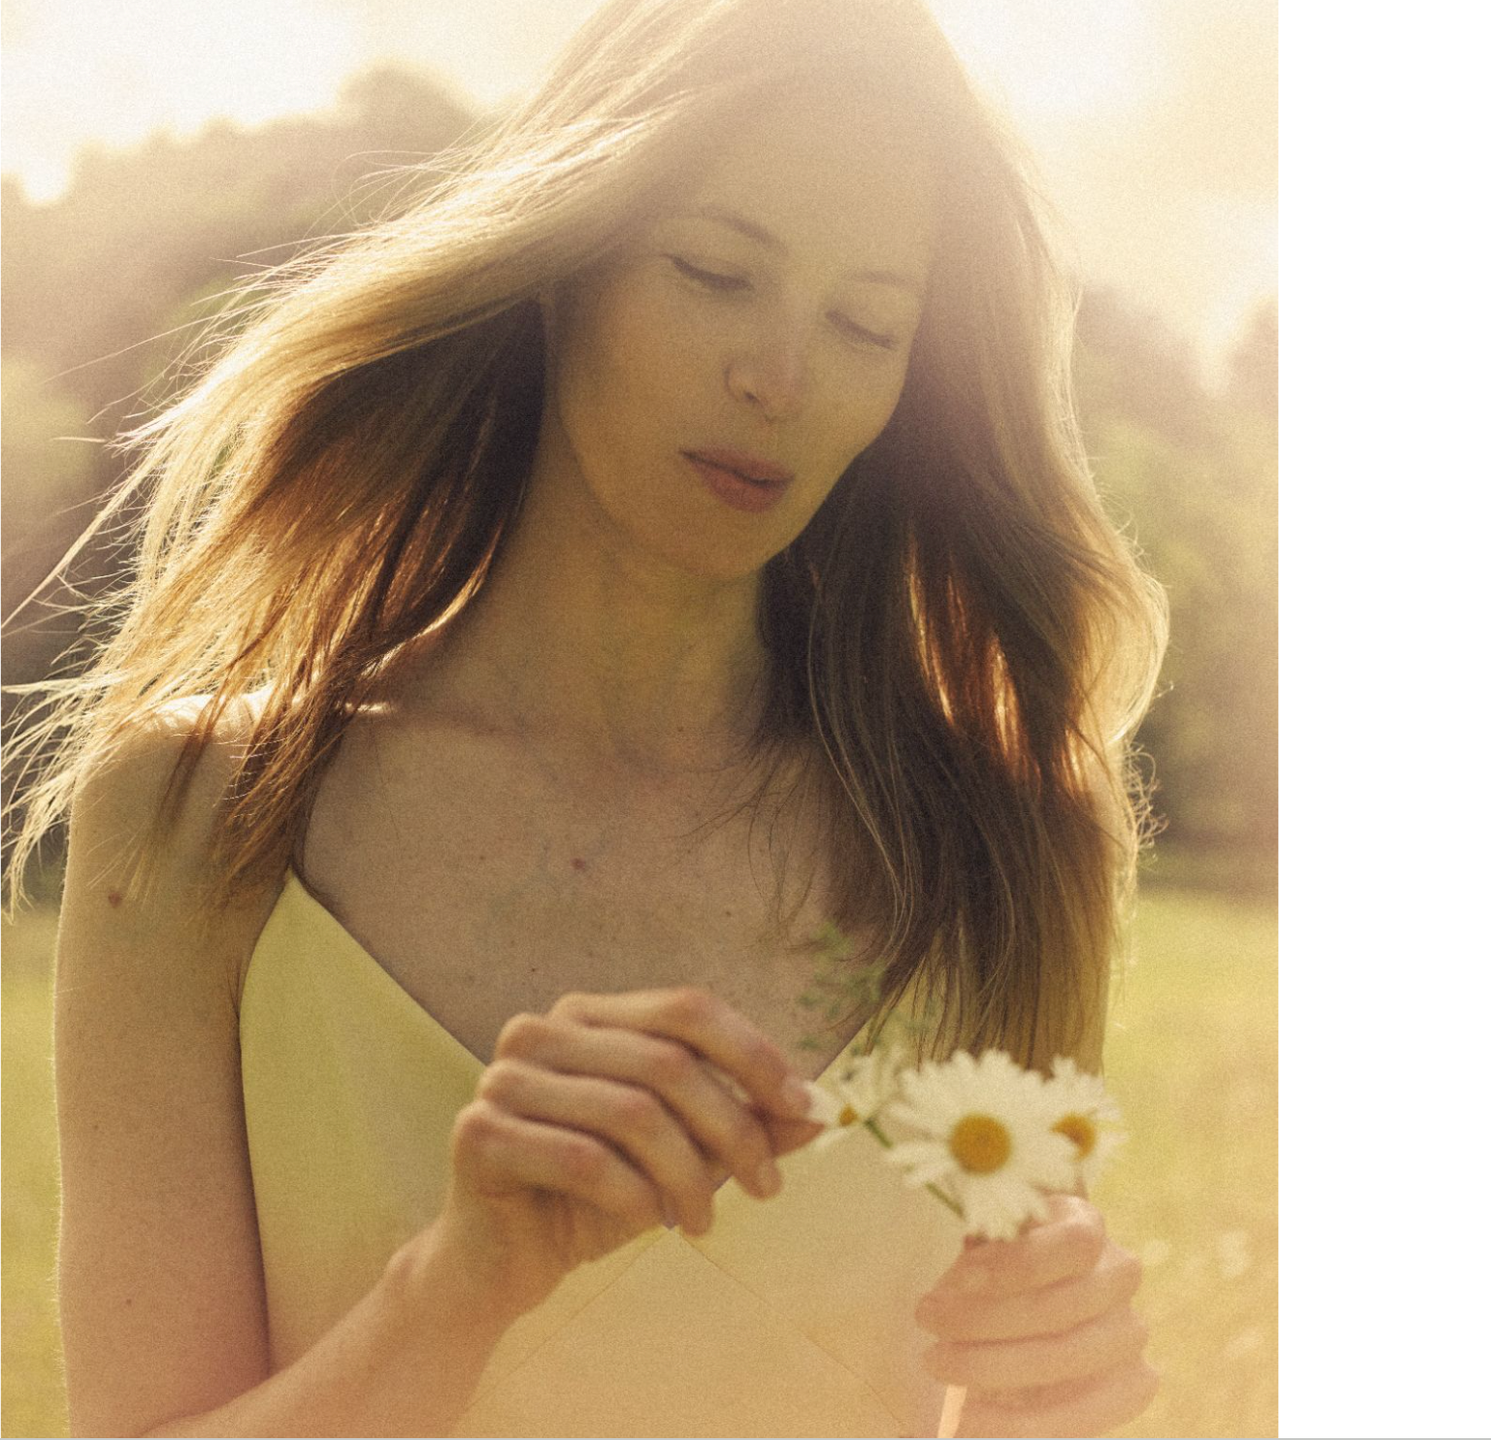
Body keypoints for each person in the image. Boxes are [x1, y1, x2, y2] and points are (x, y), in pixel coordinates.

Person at [7, 0, 1168, 1430]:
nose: (781, 377)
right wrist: (455, 1293)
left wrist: (1055, 1398)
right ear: (566, 268)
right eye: (717, 273)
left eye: (866, 323)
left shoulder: (1009, 839)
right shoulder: (200, 810)